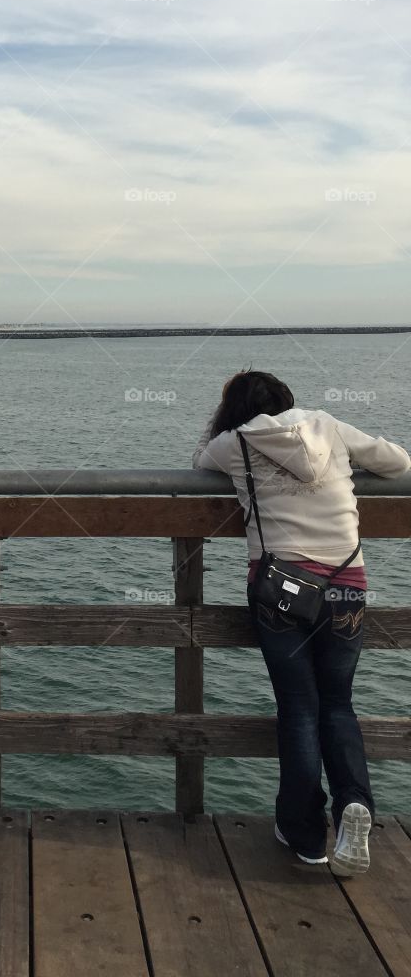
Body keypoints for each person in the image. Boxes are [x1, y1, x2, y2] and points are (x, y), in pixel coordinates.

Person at [192, 369, 410, 875]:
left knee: (299, 709)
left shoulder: (234, 443)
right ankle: (354, 803)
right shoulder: (327, 424)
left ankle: (306, 834)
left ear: (234, 408)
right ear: (288, 399)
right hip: (346, 584)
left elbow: (201, 461)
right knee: (338, 704)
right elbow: (397, 462)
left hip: (280, 591)